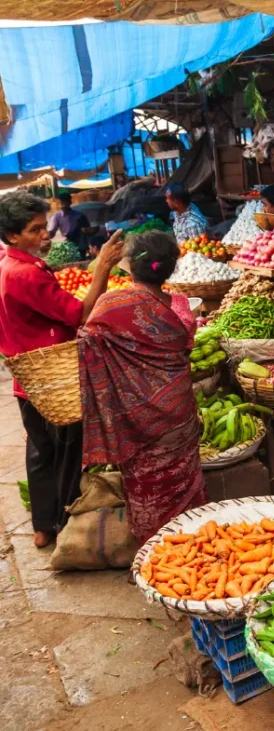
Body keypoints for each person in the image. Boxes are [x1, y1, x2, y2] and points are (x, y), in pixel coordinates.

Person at [0, 192, 124, 547]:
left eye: (44, 227)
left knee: (40, 452)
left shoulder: (7, 266)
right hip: (56, 379)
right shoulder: (27, 275)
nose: (45, 236)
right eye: (35, 230)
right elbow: (79, 314)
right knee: (70, 452)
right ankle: (66, 522)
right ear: (12, 236)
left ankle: (43, 527)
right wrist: (102, 266)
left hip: (28, 381)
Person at [77, 230, 206, 544]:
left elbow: (86, 334)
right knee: (185, 482)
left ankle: (153, 553)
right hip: (179, 414)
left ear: (130, 266)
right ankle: (194, 545)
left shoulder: (110, 304)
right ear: (170, 268)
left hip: (136, 421)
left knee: (144, 485)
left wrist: (101, 270)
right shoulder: (180, 306)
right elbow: (186, 342)